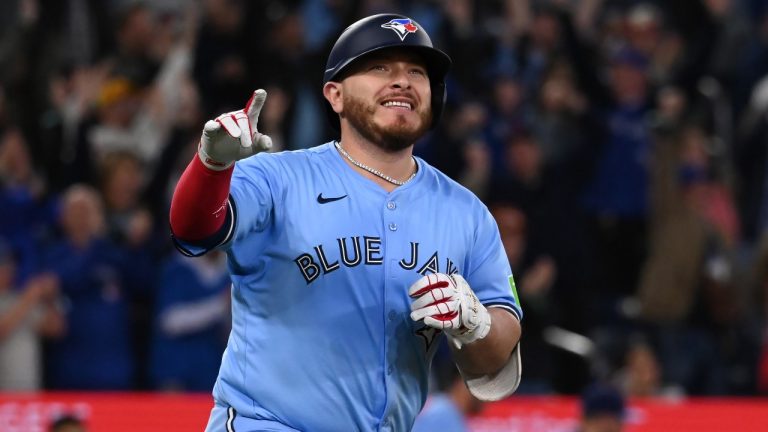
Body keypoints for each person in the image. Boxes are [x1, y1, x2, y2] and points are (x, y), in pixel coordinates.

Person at [170, 13, 523, 431]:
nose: (402, 81)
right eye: (379, 67)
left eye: (416, 71)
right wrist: (211, 166)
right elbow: (193, 230)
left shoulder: (467, 214)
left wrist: (474, 323)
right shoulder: (277, 178)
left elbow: (499, 357)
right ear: (334, 94)